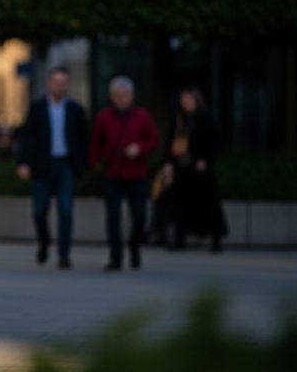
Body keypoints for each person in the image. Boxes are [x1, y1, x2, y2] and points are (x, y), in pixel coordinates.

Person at [16, 67, 89, 269]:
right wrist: (23, 163)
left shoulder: (75, 109)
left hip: (66, 164)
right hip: (42, 164)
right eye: (56, 82)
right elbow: (26, 137)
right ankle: (44, 241)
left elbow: (84, 139)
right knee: (40, 211)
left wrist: (81, 166)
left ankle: (64, 254)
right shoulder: (38, 107)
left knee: (66, 210)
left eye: (63, 82)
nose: (60, 86)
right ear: (49, 84)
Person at [90, 76, 159, 271]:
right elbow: (96, 143)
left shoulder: (142, 116)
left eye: (125, 95)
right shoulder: (103, 117)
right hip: (112, 174)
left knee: (139, 218)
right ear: (112, 97)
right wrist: (96, 164)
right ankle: (116, 257)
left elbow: (154, 140)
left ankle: (135, 247)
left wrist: (140, 148)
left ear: (131, 96)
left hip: (136, 173)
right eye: (118, 95)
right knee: (113, 217)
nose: (122, 98)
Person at [165, 87, 228, 252]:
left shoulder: (206, 119)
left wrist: (206, 160)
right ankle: (180, 238)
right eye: (183, 100)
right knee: (180, 203)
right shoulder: (179, 120)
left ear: (197, 101)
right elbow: (170, 143)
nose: (185, 103)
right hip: (182, 166)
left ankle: (216, 239)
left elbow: (215, 142)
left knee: (209, 203)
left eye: (188, 100)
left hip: (201, 168)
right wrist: (169, 163)